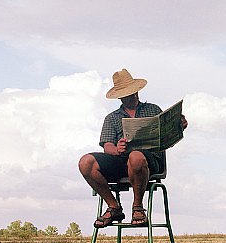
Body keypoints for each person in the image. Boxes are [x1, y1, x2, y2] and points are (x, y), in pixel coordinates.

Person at [78, 69, 187, 228]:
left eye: (135, 92)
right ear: (121, 97)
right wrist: (117, 149)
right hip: (120, 162)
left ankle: (138, 207)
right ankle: (114, 207)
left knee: (136, 156)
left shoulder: (153, 109)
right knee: (85, 162)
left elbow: (167, 134)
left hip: (149, 162)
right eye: (129, 94)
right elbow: (107, 146)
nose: (134, 96)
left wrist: (179, 126)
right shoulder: (112, 118)